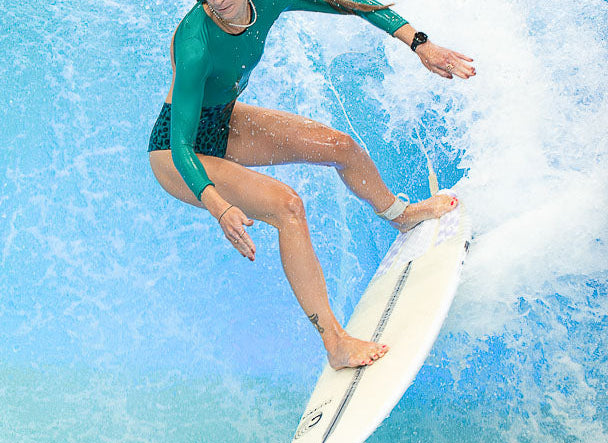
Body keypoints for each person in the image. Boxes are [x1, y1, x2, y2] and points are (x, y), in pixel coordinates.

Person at [148, 0, 475, 369]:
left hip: (221, 121)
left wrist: (420, 44)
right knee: (287, 206)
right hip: (176, 152)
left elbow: (351, 4)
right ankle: (335, 343)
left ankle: (400, 215)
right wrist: (218, 206)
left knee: (340, 147)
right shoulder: (194, 43)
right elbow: (181, 145)